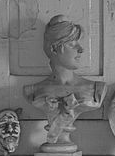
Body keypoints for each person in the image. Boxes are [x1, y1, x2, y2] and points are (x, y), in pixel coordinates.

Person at [23, 15, 105, 147]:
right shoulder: (32, 91)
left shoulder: (96, 89)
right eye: (72, 44)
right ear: (54, 49)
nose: (81, 49)